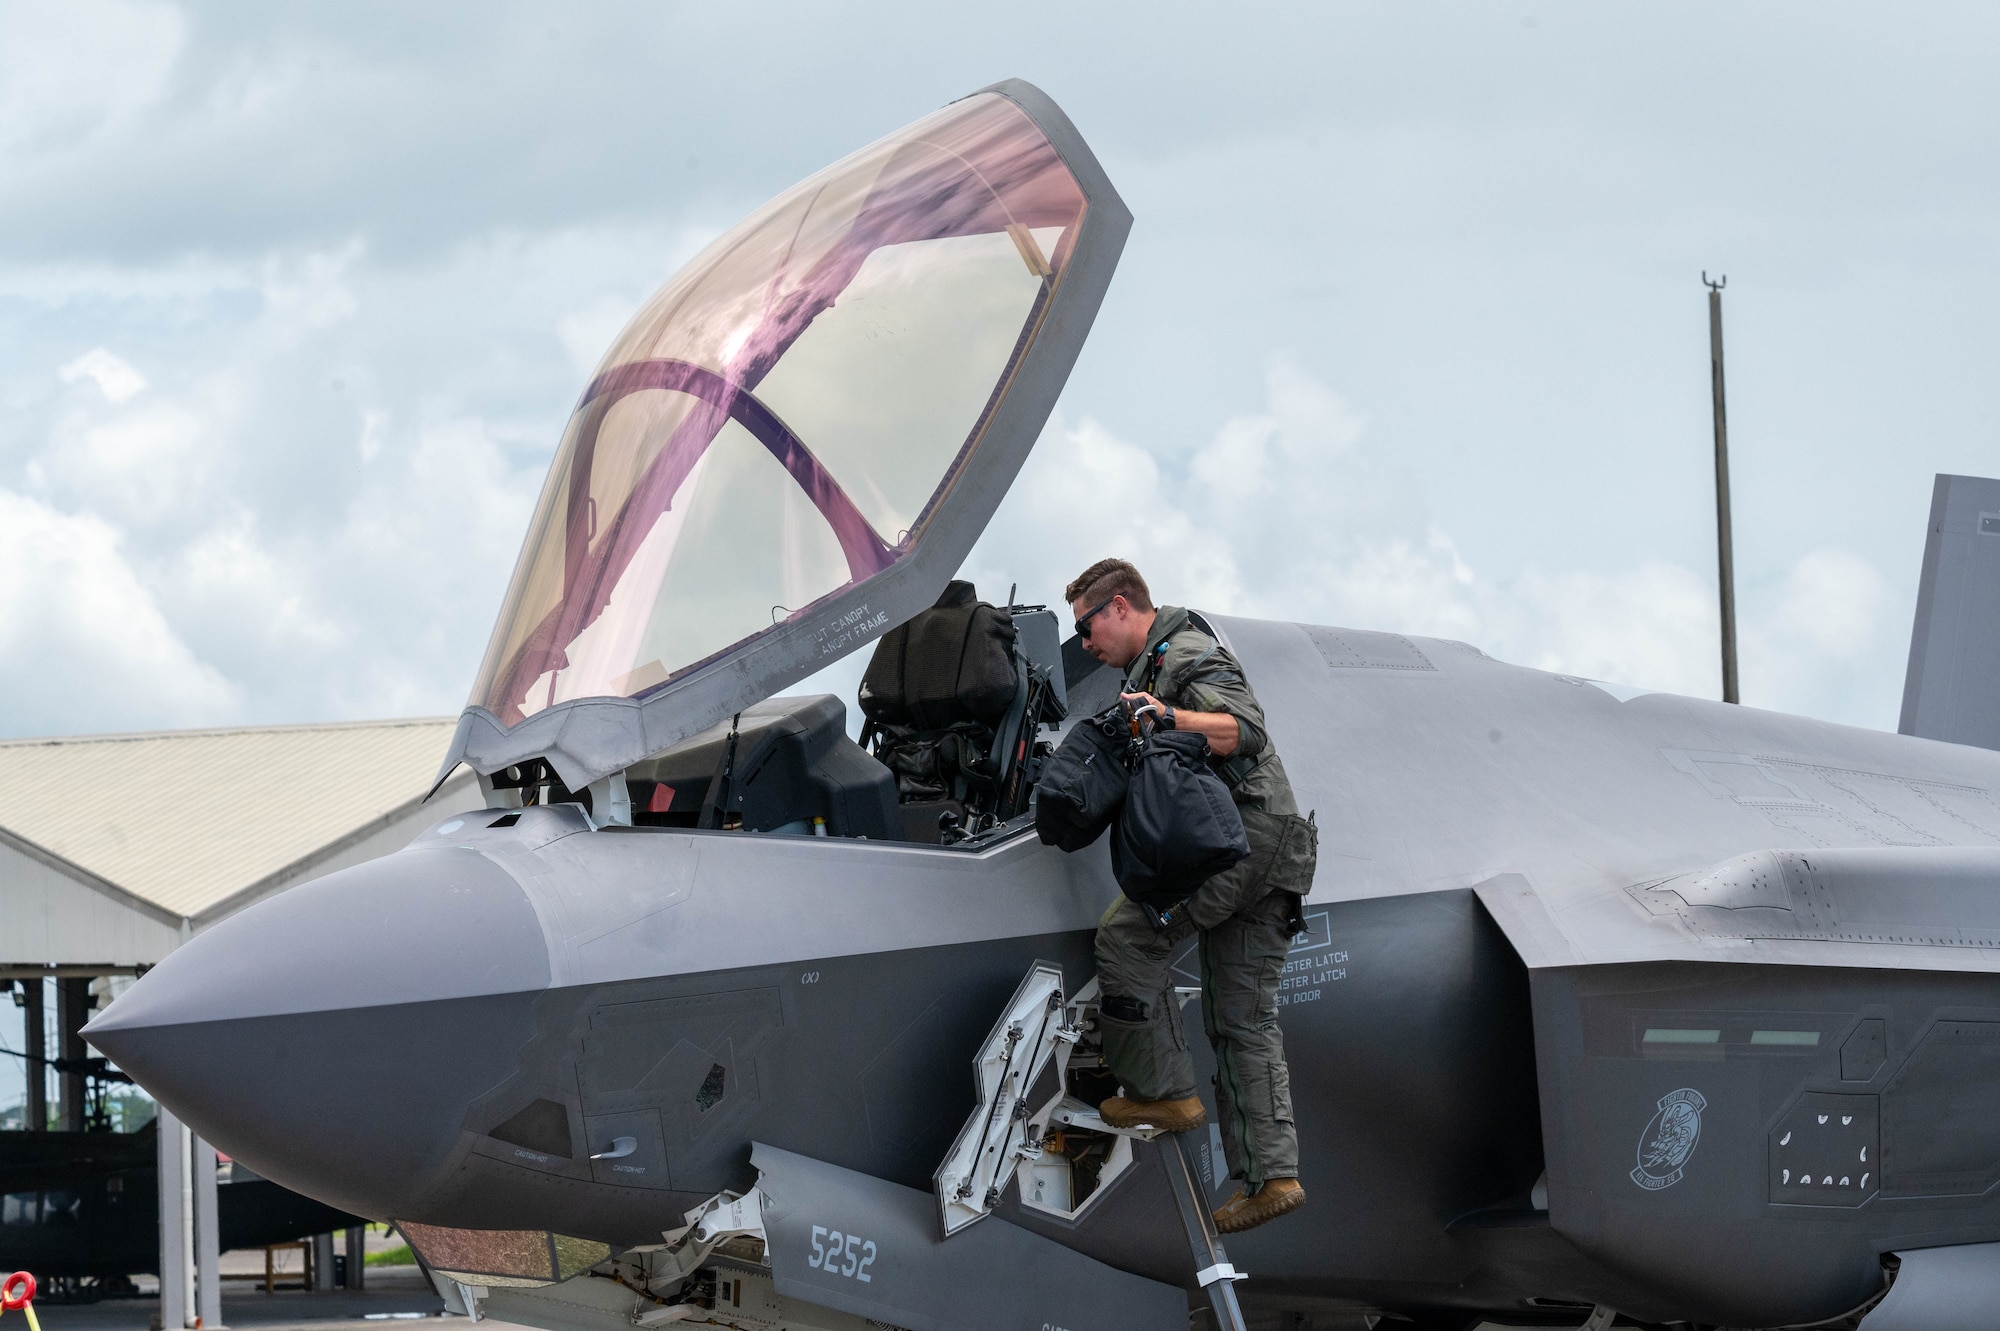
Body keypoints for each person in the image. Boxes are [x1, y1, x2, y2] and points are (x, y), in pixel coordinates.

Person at [1065, 557, 1318, 1234]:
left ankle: (1160, 1091)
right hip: (1274, 847)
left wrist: (1169, 714)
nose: (1085, 643)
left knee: (1128, 935)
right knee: (1242, 1018)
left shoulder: (1182, 653)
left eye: (1087, 627)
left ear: (1121, 606)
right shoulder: (1150, 670)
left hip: (1240, 839)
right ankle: (1273, 1178)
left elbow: (1244, 729)